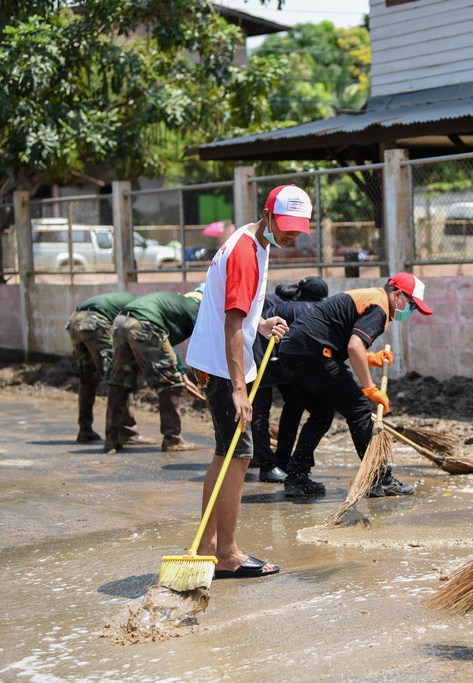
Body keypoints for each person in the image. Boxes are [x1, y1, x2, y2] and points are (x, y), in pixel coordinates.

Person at [184, 184, 311, 580]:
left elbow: (241, 311)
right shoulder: (244, 251)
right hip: (223, 366)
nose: (290, 235)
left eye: (297, 229)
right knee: (238, 456)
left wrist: (263, 322)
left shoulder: (253, 241)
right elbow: (232, 323)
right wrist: (239, 389)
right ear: (268, 215)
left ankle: (209, 547)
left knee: (228, 455)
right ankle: (227, 553)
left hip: (220, 361)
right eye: (285, 226)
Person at [278, 272, 432, 498]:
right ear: (398, 295)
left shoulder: (372, 297)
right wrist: (369, 388)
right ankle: (379, 479)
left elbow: (343, 337)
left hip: (293, 351)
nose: (412, 311)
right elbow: (353, 346)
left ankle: (296, 477)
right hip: (313, 355)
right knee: (359, 409)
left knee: (321, 413)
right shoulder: (379, 307)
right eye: (412, 305)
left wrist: (370, 358)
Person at [249, 277, 329, 485]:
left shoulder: (289, 305)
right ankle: (267, 465)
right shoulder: (310, 308)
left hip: (280, 357)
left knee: (293, 402)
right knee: (261, 409)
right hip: (261, 353)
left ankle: (282, 459)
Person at [104, 286, 204, 453]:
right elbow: (202, 343)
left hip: (121, 322)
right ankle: (173, 439)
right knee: (169, 384)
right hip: (145, 324)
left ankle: (112, 439)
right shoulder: (199, 308)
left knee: (119, 380)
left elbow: (166, 344)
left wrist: (179, 372)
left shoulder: (179, 302)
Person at [66, 291, 142, 443]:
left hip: (75, 320)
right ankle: (128, 431)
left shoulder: (136, 300)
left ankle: (85, 430)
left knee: (87, 378)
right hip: (95, 321)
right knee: (118, 376)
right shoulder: (142, 307)